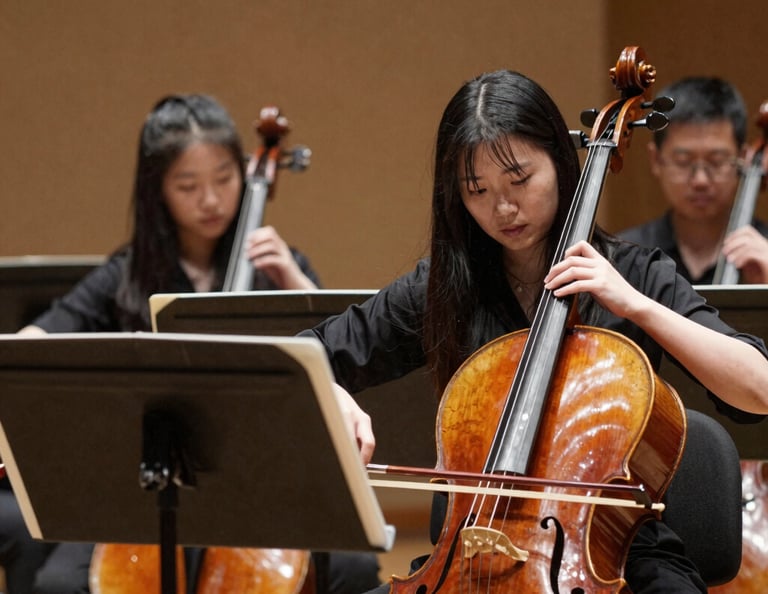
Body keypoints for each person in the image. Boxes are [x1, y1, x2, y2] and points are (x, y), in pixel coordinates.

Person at [299, 69, 768, 593]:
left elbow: (758, 388)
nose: (503, 208)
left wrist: (636, 305)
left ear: (561, 164)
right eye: (477, 190)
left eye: (520, 179)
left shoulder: (636, 274)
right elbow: (298, 357)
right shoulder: (446, 287)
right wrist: (329, 392)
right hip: (471, 551)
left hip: (616, 557)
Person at [2, 94, 380, 594]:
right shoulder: (129, 273)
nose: (210, 200)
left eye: (224, 179)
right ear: (157, 190)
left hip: (262, 483)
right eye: (188, 185)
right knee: (57, 585)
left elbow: (337, 356)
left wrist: (293, 279)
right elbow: (37, 341)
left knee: (352, 571)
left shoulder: (277, 265)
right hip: (148, 489)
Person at [618, 76, 768, 284]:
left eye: (717, 161)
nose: (700, 181)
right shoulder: (625, 257)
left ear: (742, 158)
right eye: (683, 161)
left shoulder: (764, 254)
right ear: (656, 159)